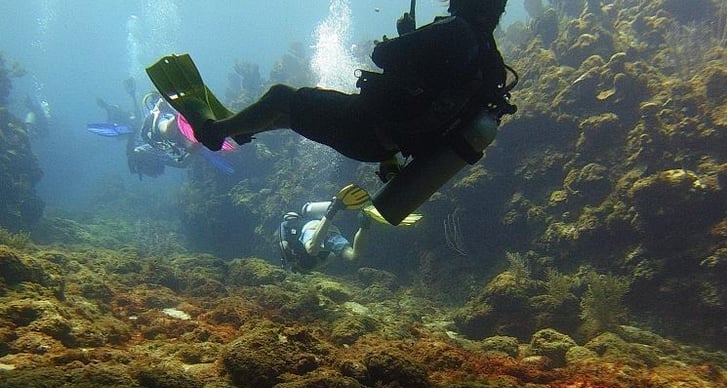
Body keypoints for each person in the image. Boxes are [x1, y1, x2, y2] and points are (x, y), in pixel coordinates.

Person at [147, 0, 516, 221]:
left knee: (281, 97)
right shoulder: (491, 62)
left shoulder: (454, 32)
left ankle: (215, 132)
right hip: (385, 145)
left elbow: (383, 55)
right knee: (293, 115)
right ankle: (243, 129)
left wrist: (407, 36)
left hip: (361, 124)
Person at [279, 184, 371, 272]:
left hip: (311, 228)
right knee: (354, 258)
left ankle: (334, 209)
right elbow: (330, 256)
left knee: (312, 250)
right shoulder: (303, 221)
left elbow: (284, 245)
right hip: (330, 230)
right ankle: (365, 222)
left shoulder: (286, 224)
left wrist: (290, 260)